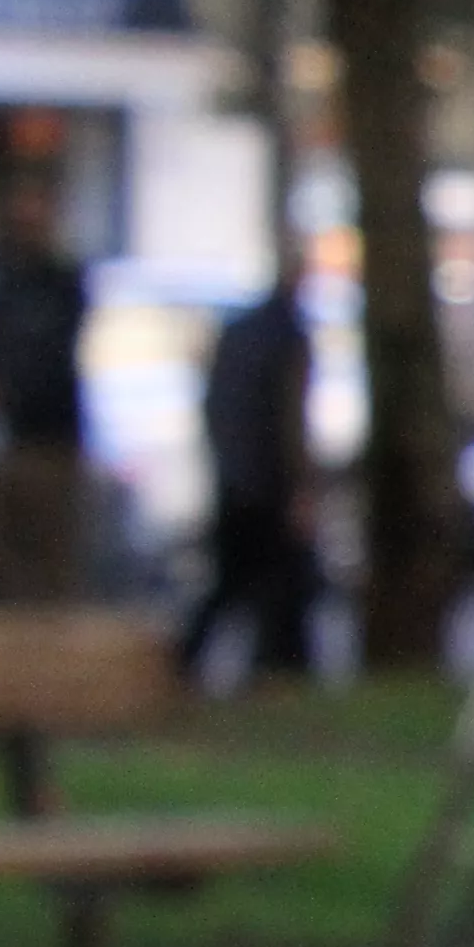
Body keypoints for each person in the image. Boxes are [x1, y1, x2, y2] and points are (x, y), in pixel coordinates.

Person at [0, 175, 96, 600]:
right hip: (6, 436)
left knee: (49, 544)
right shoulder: (0, 281)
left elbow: (46, 349)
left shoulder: (62, 284)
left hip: (50, 435)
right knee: (5, 552)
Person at [176, 274, 320, 686]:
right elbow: (292, 421)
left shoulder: (238, 335)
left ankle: (205, 665)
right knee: (277, 585)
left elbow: (216, 411)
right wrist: (301, 487)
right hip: (268, 483)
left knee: (234, 584)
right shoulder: (286, 338)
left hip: (238, 480)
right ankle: (275, 671)